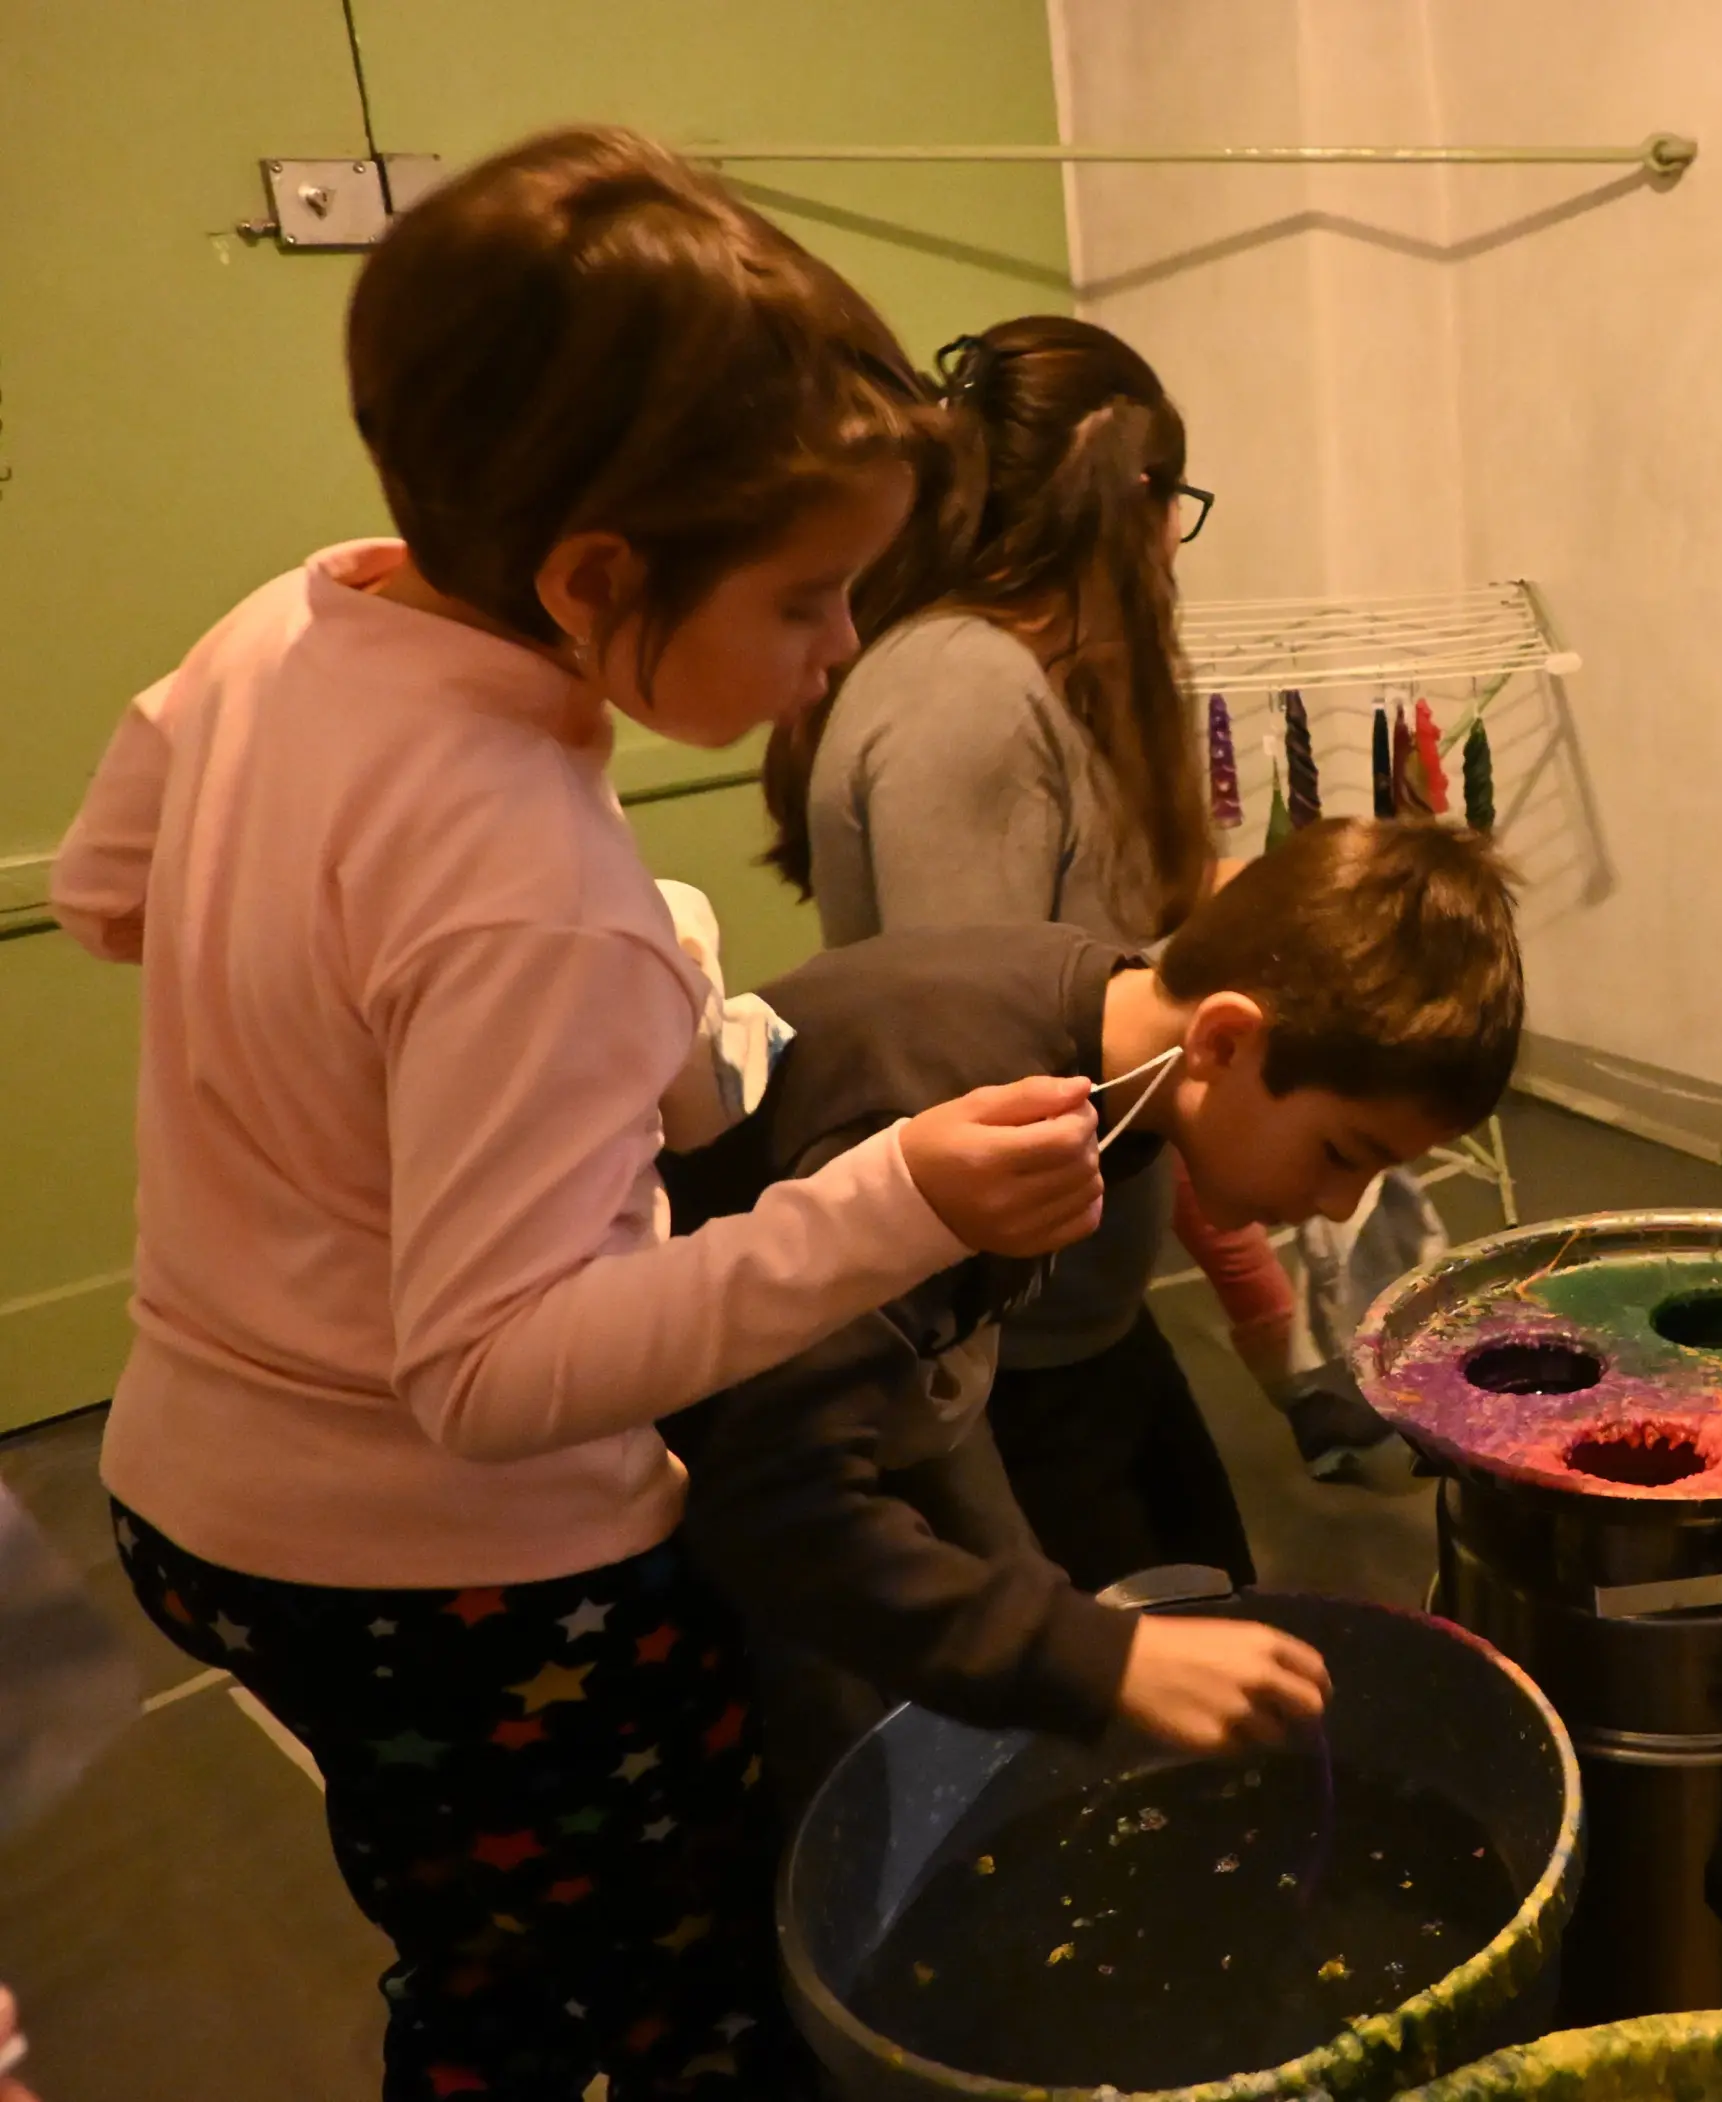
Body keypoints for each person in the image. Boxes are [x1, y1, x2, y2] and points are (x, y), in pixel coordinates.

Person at [45, 129, 1110, 2100]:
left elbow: (113, 895)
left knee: (472, 1952)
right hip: (458, 1577)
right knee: (635, 2016)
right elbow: (491, 1369)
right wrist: (897, 1196)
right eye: (809, 597)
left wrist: (538, 992)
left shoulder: (290, 622)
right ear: (596, 577)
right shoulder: (542, 891)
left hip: (191, 1495)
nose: (844, 647)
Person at [659, 819, 1520, 1808]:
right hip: (653, 1496)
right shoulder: (961, 1099)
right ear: (1224, 1040)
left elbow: (931, 1359)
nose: (1337, 1205)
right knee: (846, 1784)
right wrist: (1099, 1656)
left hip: (797, 1442)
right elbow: (772, 1504)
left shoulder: (1116, 1040)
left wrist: (1048, 1611)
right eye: (1340, 1153)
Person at [762, 317, 1385, 1590]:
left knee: (1217, 1602)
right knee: (1138, 1659)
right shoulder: (964, 696)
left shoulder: (1036, 683)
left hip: (1080, 1316)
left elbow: (1098, 939)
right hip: (1007, 1349)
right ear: (1134, 496)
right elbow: (976, 1049)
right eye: (1178, 507)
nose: (1175, 545)